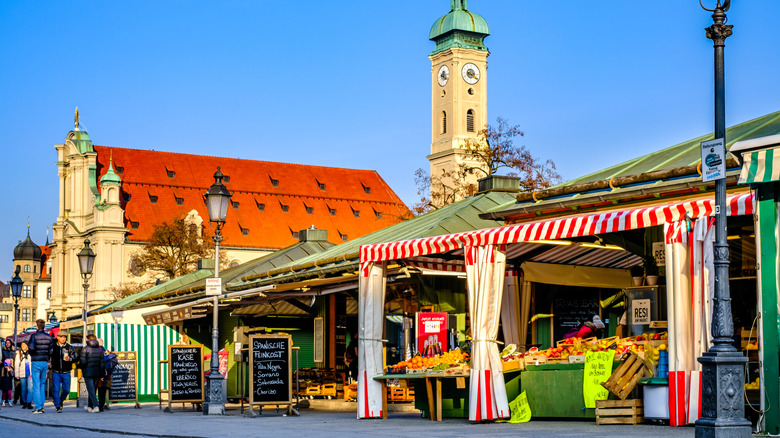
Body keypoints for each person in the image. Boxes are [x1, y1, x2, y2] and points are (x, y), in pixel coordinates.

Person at [28, 319, 53, 414]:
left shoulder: (34, 336)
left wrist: (32, 354)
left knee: (36, 384)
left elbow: (31, 348)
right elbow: (51, 350)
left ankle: (38, 407)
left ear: (37, 326)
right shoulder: (48, 337)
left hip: (36, 361)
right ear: (44, 326)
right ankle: (41, 406)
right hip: (45, 362)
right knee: (42, 384)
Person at [50, 332, 76, 413]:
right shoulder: (53, 346)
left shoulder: (70, 347)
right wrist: (49, 362)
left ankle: (60, 400)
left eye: (64, 337)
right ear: (57, 337)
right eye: (61, 337)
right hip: (56, 371)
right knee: (56, 389)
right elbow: (49, 356)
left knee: (67, 390)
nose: (63, 338)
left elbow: (75, 357)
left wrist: (70, 359)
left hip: (66, 371)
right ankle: (57, 406)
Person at [79, 334, 105, 413]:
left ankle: (96, 406)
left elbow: (83, 362)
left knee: (90, 390)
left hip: (88, 372)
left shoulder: (85, 349)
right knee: (93, 389)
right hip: (97, 372)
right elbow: (102, 364)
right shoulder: (100, 350)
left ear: (88, 339)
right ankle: (90, 406)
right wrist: (102, 373)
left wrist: (81, 367)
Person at [13, 342, 32, 409]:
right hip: (22, 373)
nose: (23, 346)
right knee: (23, 389)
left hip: (30, 373)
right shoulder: (19, 354)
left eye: (24, 345)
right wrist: (17, 374)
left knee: (30, 388)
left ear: (27, 346)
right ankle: (24, 402)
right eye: (22, 345)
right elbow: (16, 364)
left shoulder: (30, 353)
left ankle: (29, 402)